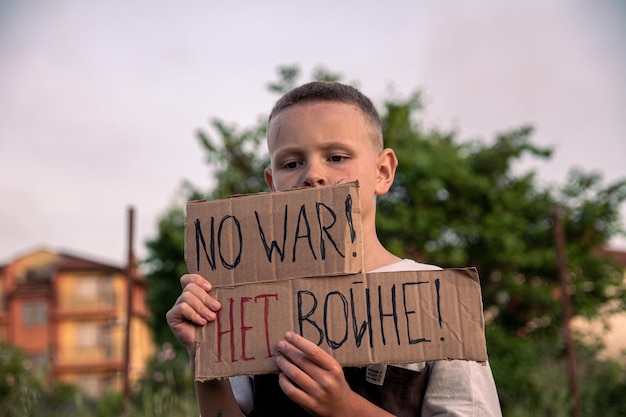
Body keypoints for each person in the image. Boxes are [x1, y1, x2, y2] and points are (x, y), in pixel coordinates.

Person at [166, 81, 502, 417]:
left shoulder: (437, 297)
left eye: (336, 157)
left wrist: (344, 408)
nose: (313, 175)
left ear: (382, 172)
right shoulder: (247, 304)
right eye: (291, 164)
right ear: (272, 185)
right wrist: (203, 354)